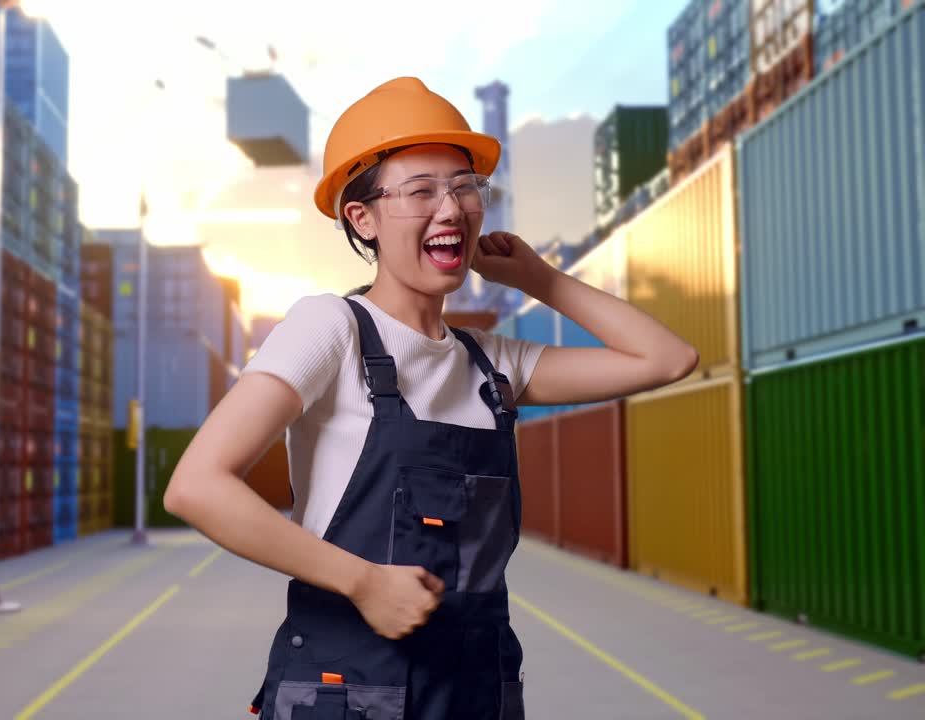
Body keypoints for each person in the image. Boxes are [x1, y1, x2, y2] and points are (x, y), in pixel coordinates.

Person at [163, 77, 698, 719]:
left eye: (464, 187)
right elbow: (196, 485)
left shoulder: (491, 360)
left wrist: (540, 278)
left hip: (475, 691)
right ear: (362, 219)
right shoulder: (332, 329)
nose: (451, 209)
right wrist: (361, 581)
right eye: (421, 191)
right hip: (350, 691)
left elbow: (669, 360)